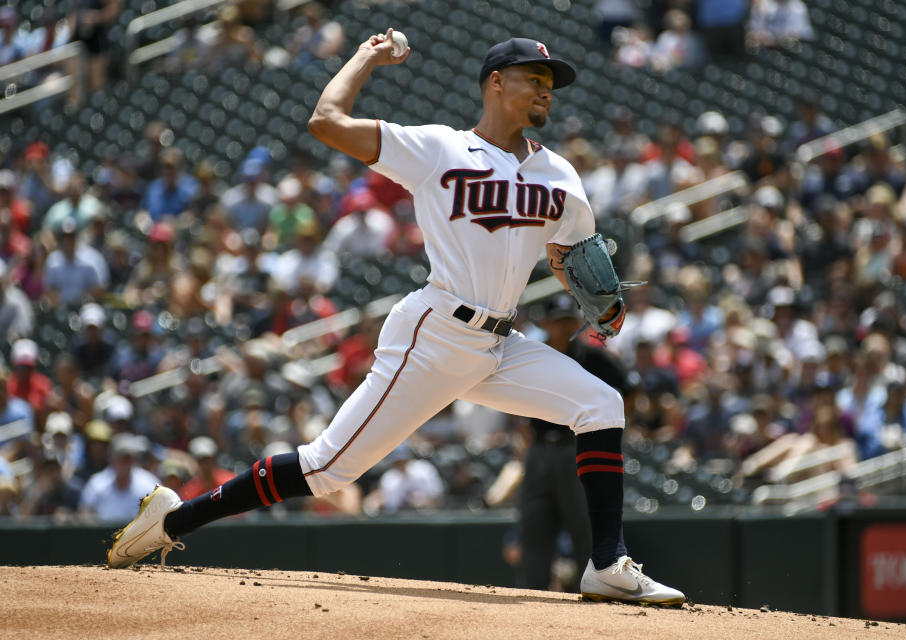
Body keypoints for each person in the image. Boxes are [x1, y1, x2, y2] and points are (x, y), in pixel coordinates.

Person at [107, 32, 685, 607]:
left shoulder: (560, 173)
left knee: (601, 405)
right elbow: (326, 121)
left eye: (550, 84)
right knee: (328, 468)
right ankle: (173, 521)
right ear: (495, 82)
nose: (546, 91)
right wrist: (364, 58)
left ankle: (607, 564)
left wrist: (597, 296)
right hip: (432, 336)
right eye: (534, 79)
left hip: (498, 343)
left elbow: (569, 253)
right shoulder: (438, 148)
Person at [518, 294, 631, 592]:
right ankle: (533, 596)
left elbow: (630, 388)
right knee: (535, 528)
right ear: (546, 323)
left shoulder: (594, 357)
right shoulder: (536, 354)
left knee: (584, 527)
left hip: (576, 447)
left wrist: (612, 432)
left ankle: (592, 593)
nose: (564, 327)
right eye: (558, 322)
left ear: (578, 322)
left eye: (569, 321)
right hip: (540, 449)